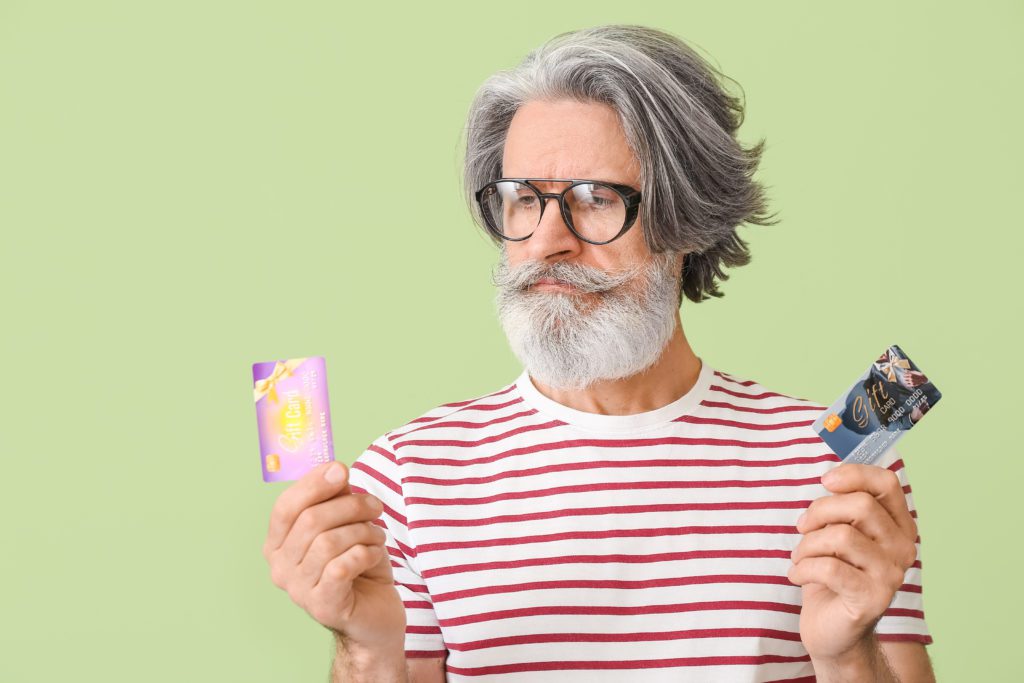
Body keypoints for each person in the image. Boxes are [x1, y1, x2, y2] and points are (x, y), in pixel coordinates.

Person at [262, 24, 935, 682]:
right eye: (523, 198)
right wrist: (369, 652)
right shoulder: (407, 481)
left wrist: (848, 655)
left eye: (596, 198)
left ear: (687, 224)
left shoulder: (834, 473)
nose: (547, 239)